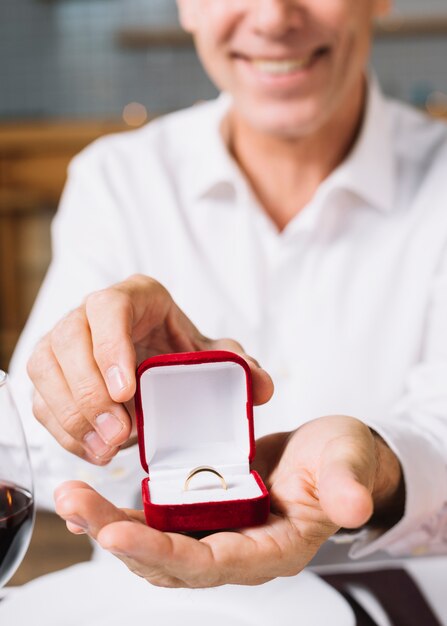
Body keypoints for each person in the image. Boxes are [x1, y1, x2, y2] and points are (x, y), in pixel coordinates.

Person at [9, 0, 447, 589]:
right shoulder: (116, 180)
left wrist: (382, 467)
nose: (271, 18)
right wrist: (108, 412)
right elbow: (28, 452)